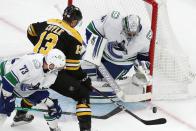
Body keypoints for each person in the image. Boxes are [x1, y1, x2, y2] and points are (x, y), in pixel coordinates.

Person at [14, 5, 92, 131]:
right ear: (74, 21)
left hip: (31, 64)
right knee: (82, 94)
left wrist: (40, 46)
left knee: (35, 87)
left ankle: (21, 114)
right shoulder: (75, 36)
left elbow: (30, 29)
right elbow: (72, 68)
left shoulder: (50, 22)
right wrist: (84, 78)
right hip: (49, 71)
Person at [84, 11, 152, 98]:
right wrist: (92, 48)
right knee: (87, 67)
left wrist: (141, 68)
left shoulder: (146, 36)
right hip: (103, 52)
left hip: (122, 64)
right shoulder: (112, 21)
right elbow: (91, 29)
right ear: (123, 26)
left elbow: (144, 57)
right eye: (129, 33)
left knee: (104, 81)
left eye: (133, 34)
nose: (131, 36)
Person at [0, 49, 66, 131]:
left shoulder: (52, 74)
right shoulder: (30, 63)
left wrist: (52, 105)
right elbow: (9, 80)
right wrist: (6, 99)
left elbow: (38, 92)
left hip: (21, 86)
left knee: (49, 107)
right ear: (49, 62)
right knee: (3, 110)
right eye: (55, 67)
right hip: (4, 78)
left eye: (59, 68)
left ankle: (55, 129)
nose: (56, 70)